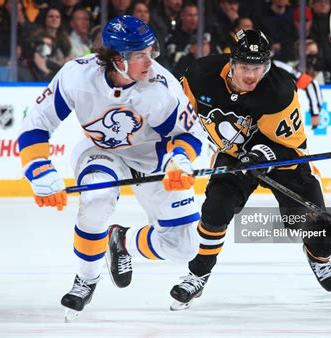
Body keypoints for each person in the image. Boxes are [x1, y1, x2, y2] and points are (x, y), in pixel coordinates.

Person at [17, 15, 206, 321]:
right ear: (117, 59)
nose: (150, 61)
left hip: (152, 157)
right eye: (140, 55)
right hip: (101, 151)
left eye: (151, 51)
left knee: (183, 248)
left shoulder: (161, 87)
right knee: (95, 202)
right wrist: (39, 170)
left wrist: (180, 159)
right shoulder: (76, 76)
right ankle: (86, 278)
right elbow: (36, 125)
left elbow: (189, 134)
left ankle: (122, 241)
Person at [170, 29, 331, 311]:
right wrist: (172, 154)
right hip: (234, 155)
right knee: (215, 209)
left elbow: (293, 148)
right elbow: (172, 112)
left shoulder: (279, 90)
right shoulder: (200, 74)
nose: (251, 75)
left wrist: (261, 154)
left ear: (267, 65)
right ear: (232, 63)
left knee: (322, 235)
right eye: (246, 67)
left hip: (282, 159)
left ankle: (318, 257)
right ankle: (198, 274)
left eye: (258, 67)